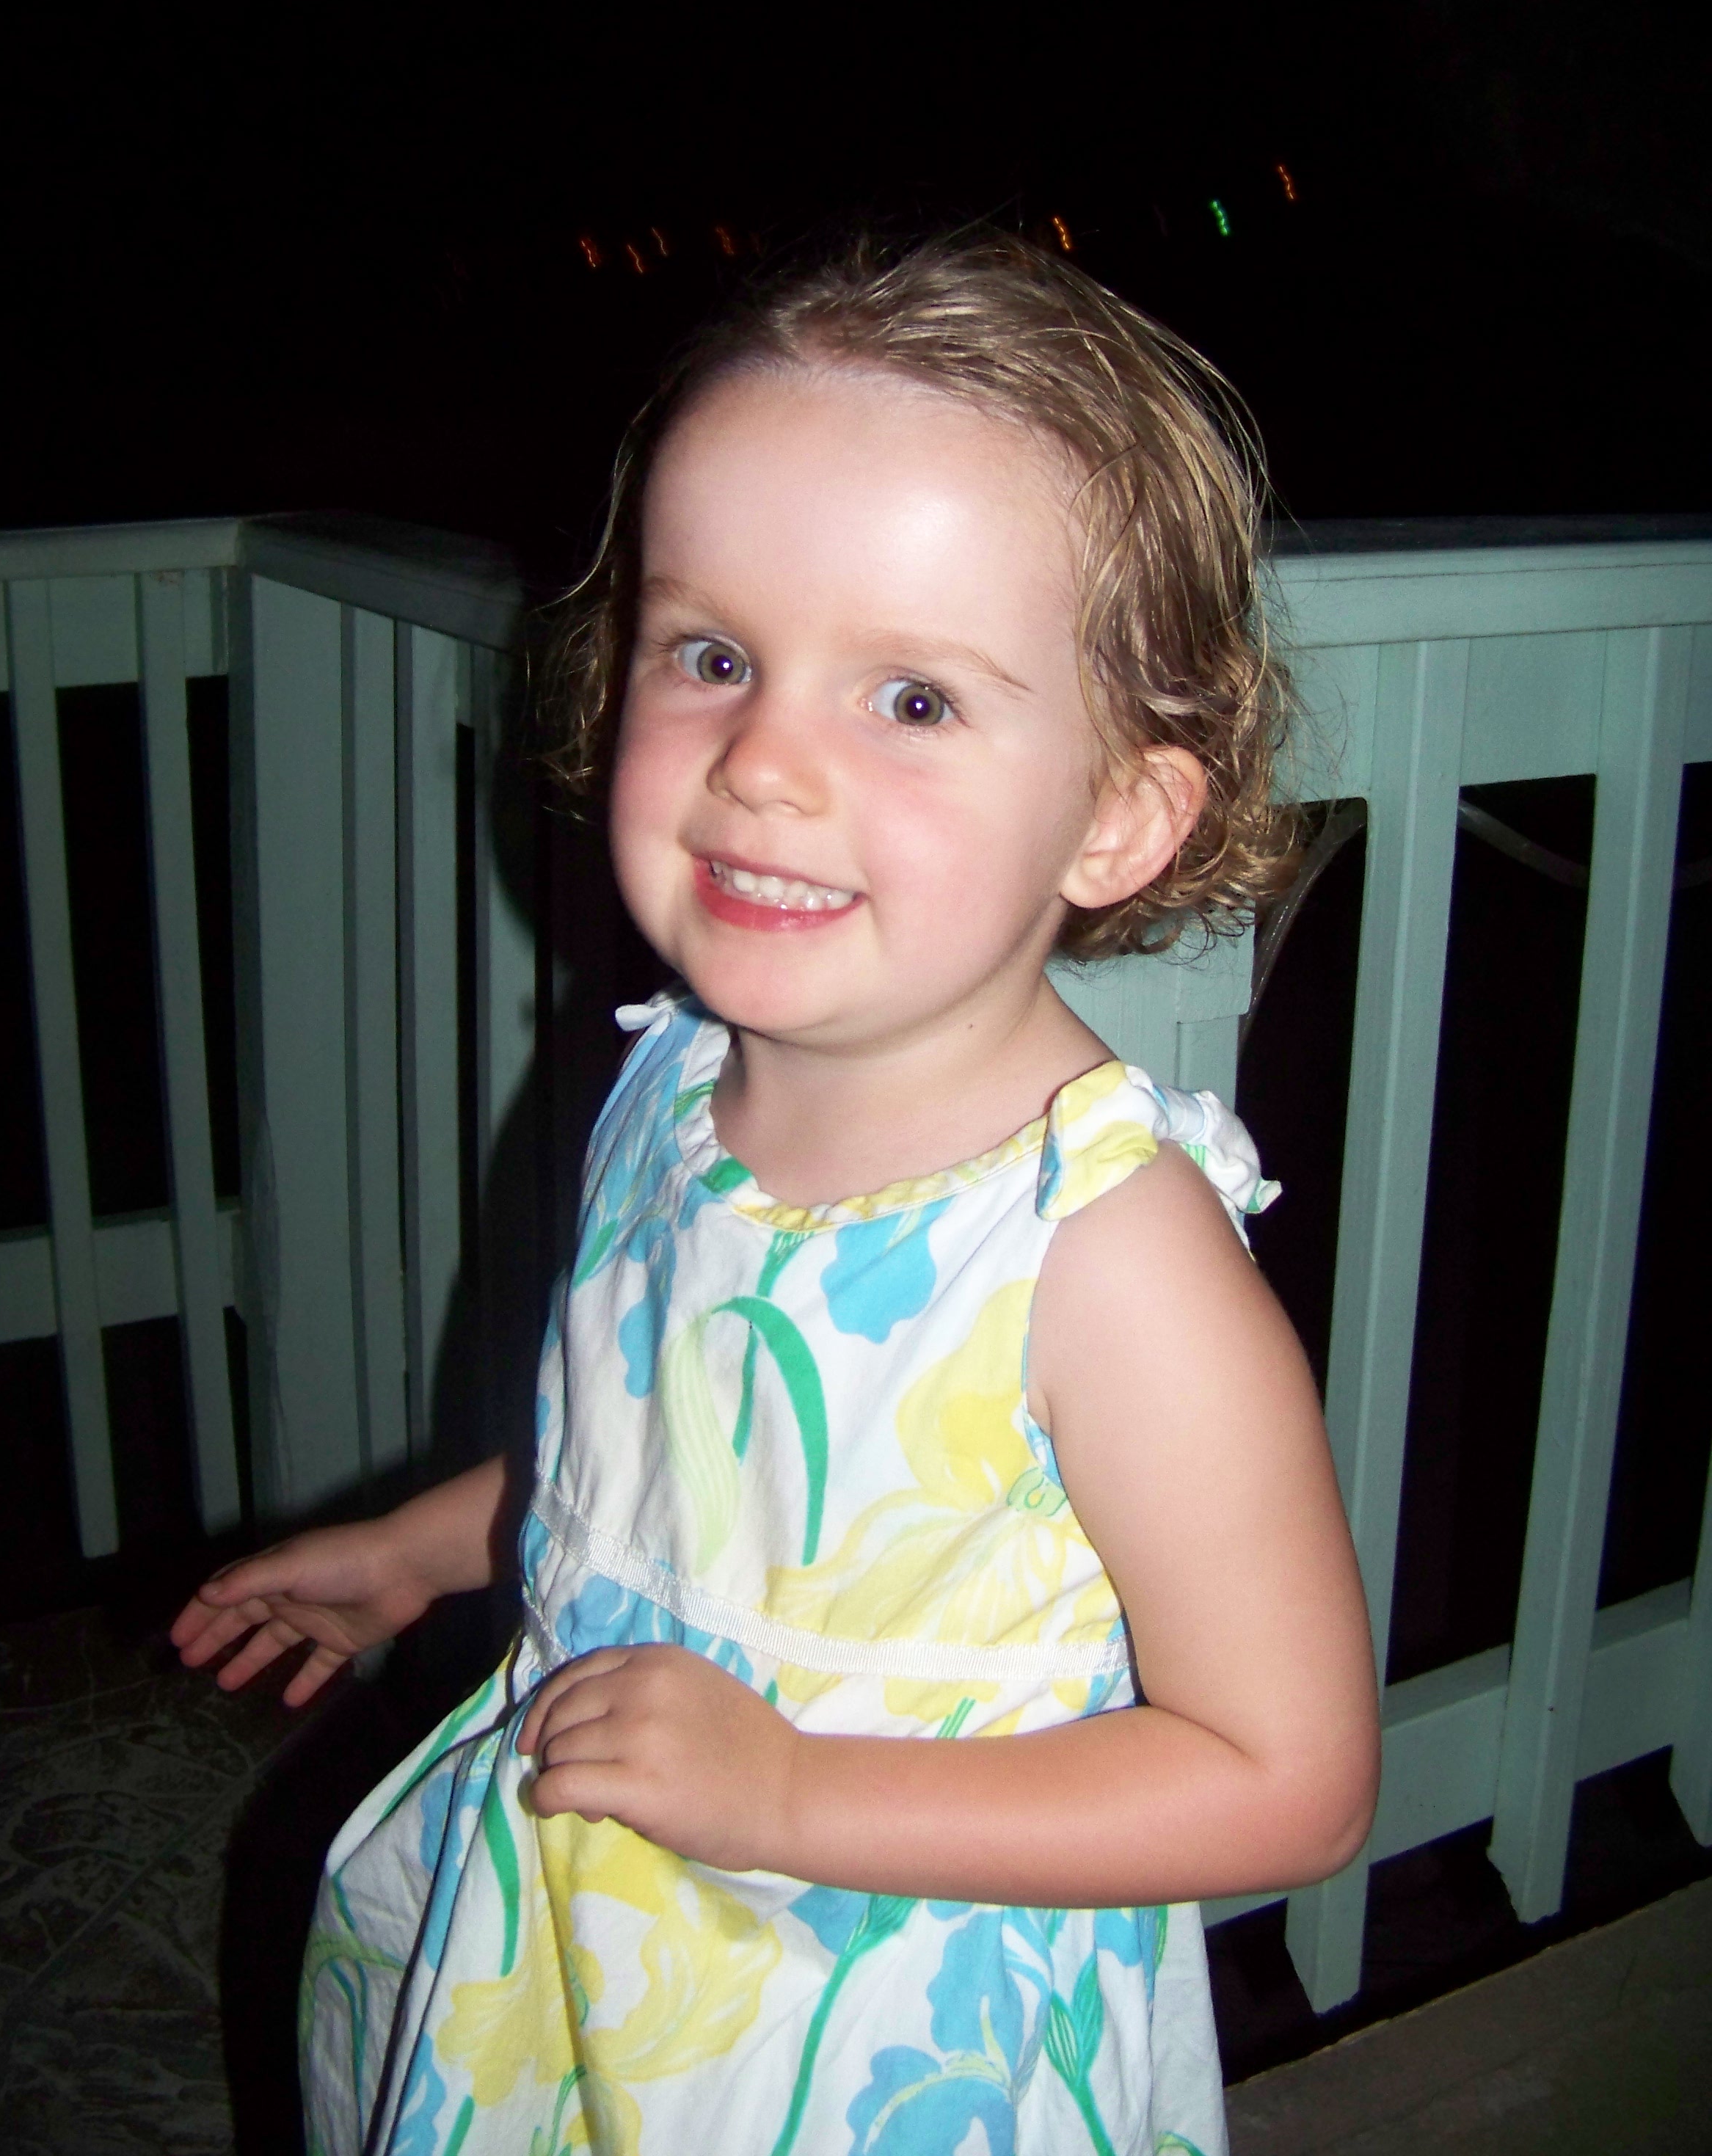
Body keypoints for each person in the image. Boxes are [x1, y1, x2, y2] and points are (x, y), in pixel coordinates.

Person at [173, 230, 1379, 2156]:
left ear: (1118, 815)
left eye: (912, 699)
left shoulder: (1103, 1257)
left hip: (879, 2034)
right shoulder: (667, 1086)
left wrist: (792, 1795)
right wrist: (437, 1546)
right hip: (568, 1944)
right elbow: (682, 1459)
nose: (762, 765)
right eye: (714, 655)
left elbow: (1287, 1780)